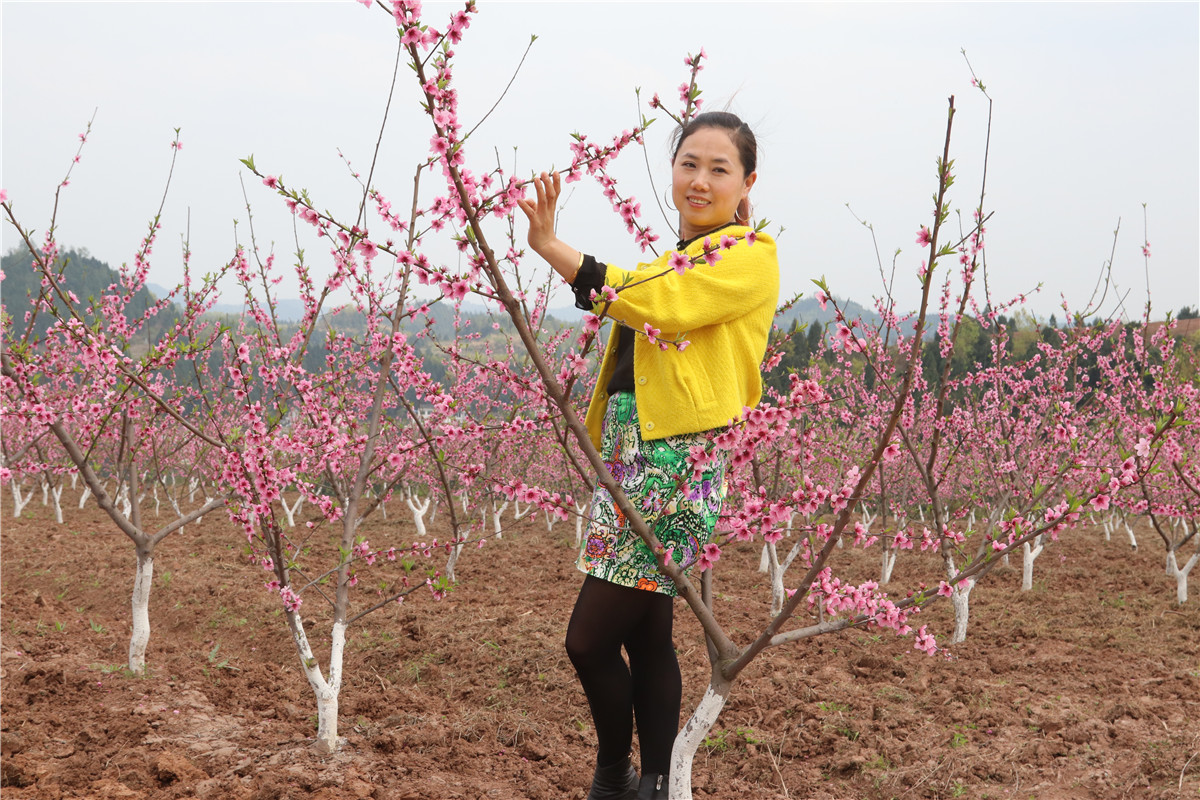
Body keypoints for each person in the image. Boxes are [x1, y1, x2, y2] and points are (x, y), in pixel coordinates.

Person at [517, 111, 778, 800]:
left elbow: (663, 305)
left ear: (747, 183)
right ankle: (657, 783)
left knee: (589, 640)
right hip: (635, 453)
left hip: (675, 463)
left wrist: (552, 247)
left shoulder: (750, 255)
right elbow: (652, 296)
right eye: (688, 163)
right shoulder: (677, 256)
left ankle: (615, 778)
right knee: (648, 637)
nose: (700, 180)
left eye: (719, 169)